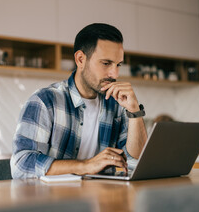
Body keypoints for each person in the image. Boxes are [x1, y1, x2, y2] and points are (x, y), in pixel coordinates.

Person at [11, 23, 147, 179]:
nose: (114, 73)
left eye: (118, 65)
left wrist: (135, 111)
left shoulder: (118, 105)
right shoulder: (45, 101)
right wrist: (86, 165)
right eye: (106, 63)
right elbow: (21, 165)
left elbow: (136, 165)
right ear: (80, 59)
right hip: (53, 200)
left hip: (103, 199)